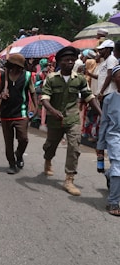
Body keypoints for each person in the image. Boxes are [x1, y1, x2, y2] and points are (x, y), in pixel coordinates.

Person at [41, 46, 102, 196]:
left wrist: (102, 114)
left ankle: (69, 179)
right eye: (65, 60)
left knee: (74, 146)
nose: (69, 62)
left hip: (72, 118)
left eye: (71, 60)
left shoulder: (79, 79)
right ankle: (48, 159)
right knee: (50, 145)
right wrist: (53, 111)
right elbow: (44, 99)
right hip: (55, 120)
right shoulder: (51, 78)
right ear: (59, 62)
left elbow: (89, 97)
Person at [0, 53, 36, 174]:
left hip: (21, 112)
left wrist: (35, 107)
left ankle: (19, 154)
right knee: (8, 142)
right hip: (6, 113)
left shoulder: (27, 76)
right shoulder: (3, 76)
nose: (14, 68)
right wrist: (1, 95)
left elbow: (32, 92)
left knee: (23, 138)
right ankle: (12, 164)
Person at [97, 65, 120, 216]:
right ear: (114, 79)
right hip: (115, 136)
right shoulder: (109, 99)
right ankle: (113, 202)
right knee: (118, 167)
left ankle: (109, 174)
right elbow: (104, 122)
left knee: (116, 169)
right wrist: (100, 146)